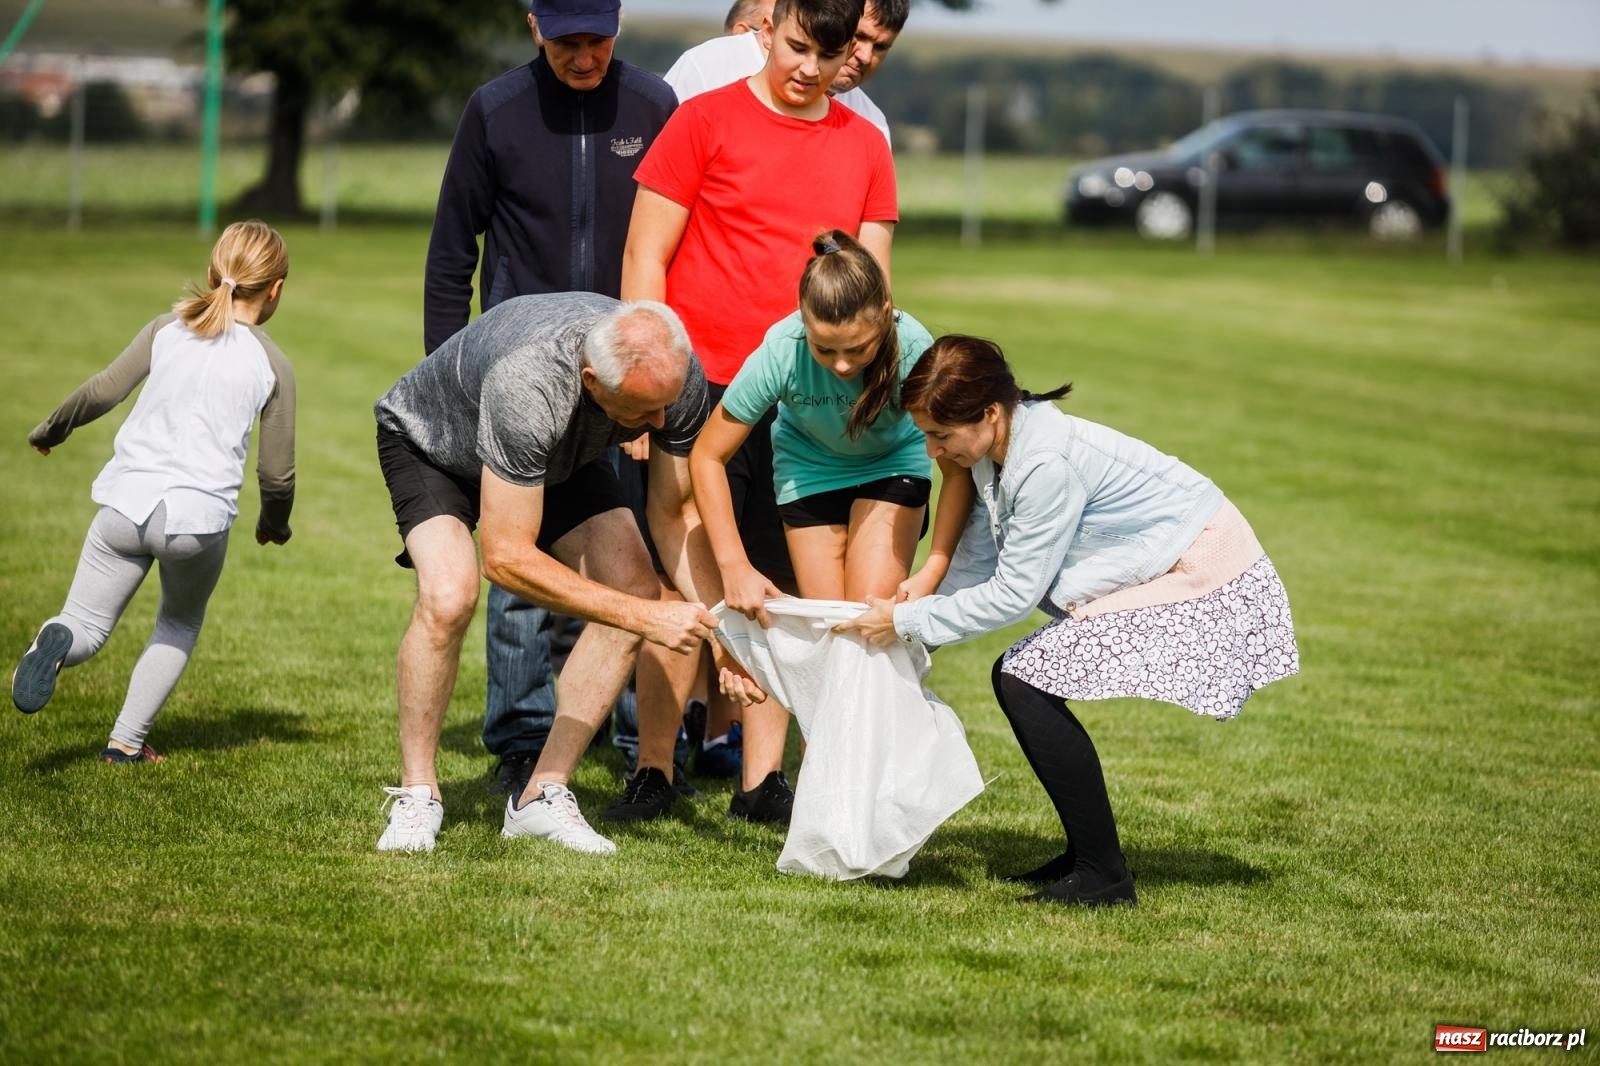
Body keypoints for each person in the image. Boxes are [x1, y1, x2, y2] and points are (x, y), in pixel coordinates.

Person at [836, 335, 1300, 907]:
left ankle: (1103, 875)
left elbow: (1013, 595)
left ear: (989, 413)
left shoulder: (1044, 464)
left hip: (1207, 569)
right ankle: (1089, 859)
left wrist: (909, 622)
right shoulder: (993, 451)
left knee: (1023, 679)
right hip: (1176, 561)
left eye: (941, 435)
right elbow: (981, 560)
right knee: (1024, 677)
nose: (933, 451)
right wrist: (909, 622)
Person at [624, 0, 896, 823]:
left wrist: (862, 396)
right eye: (797, 47)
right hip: (697, 386)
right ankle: (655, 768)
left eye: (828, 55)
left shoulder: (867, 145)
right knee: (679, 572)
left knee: (780, 582)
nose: (809, 69)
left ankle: (761, 782)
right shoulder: (703, 120)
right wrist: (644, 390)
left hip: (807, 399)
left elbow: (873, 288)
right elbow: (645, 254)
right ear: (768, 29)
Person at [423, 0, 678, 798]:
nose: (585, 56)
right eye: (568, 41)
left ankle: (642, 744)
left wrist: (651, 378)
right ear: (535, 26)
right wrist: (451, 380)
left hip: (625, 378)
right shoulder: (494, 109)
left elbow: (673, 240)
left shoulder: (653, 106)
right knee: (520, 563)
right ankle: (521, 737)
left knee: (635, 556)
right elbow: (451, 252)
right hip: (520, 378)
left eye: (598, 39)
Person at [372, 294, 721, 855]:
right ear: (592, 381)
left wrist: (728, 636)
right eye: (644, 409)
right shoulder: (530, 382)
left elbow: (675, 514)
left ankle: (541, 794)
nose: (660, 422)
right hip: (432, 445)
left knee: (632, 584)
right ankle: (418, 793)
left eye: (665, 405)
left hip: (552, 456)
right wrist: (645, 614)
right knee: (450, 594)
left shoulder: (672, 379)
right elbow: (506, 559)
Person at [12, 221, 296, 763]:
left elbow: (104, 390)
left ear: (213, 272)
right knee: (178, 622)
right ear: (275, 289)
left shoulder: (167, 328)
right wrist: (274, 525)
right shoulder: (272, 364)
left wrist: (51, 430)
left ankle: (55, 641)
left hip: (125, 504)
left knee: (84, 623)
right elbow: (277, 473)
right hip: (196, 522)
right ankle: (125, 743)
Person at [662, 0, 906, 145]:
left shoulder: (871, 125)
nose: (865, 56)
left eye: (881, 47)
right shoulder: (708, 65)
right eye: (860, 36)